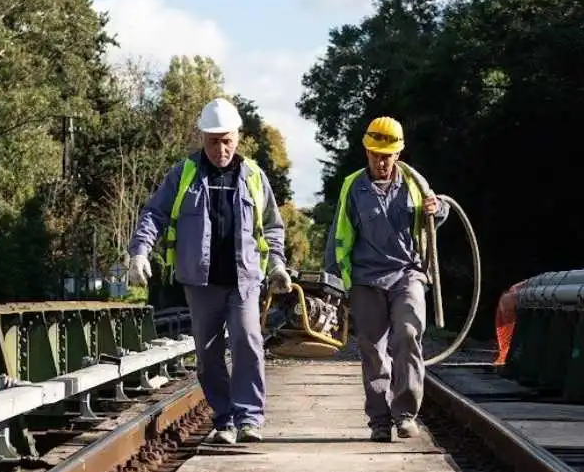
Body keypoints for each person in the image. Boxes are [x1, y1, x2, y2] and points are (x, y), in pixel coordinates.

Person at [126, 98, 291, 445]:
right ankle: (224, 419)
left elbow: (273, 227)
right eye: (214, 141)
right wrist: (139, 252)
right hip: (200, 282)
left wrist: (277, 263)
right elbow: (154, 214)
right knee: (208, 354)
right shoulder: (184, 174)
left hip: (244, 279)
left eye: (227, 140)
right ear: (202, 138)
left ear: (238, 137)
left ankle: (249, 418)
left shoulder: (255, 177)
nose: (221, 148)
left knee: (247, 341)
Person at [323, 116, 450, 442]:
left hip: (407, 274)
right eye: (376, 154)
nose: (381, 161)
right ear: (367, 151)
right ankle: (379, 420)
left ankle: (405, 414)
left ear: (398, 153)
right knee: (373, 350)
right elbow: (339, 232)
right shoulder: (353, 186)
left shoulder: (413, 183)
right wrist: (331, 281)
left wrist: (439, 208)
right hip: (366, 279)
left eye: (387, 155)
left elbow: (437, 213)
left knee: (408, 334)